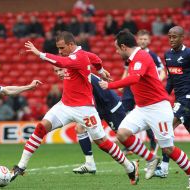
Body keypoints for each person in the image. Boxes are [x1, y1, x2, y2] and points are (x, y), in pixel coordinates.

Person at [11, 31, 139, 185]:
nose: (60, 51)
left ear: (71, 45)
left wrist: (39, 53)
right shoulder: (84, 54)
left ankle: (129, 166)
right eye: (58, 48)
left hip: (85, 109)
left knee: (102, 143)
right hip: (65, 105)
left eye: (62, 48)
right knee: (41, 127)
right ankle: (21, 166)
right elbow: (97, 59)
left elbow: (60, 62)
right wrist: (100, 71)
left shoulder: (78, 57)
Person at [99, 30, 190, 180]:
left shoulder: (141, 56)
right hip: (142, 109)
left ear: (123, 46)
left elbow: (134, 78)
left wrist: (110, 85)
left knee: (168, 149)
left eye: (116, 48)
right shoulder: (133, 59)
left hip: (158, 108)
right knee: (122, 134)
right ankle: (151, 159)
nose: (115, 52)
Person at [53, 66, 126, 174]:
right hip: (98, 107)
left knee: (125, 137)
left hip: (111, 106)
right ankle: (90, 164)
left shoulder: (78, 75)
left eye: (60, 70)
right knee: (80, 128)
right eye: (56, 71)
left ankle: (150, 159)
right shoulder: (72, 78)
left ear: (67, 68)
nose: (58, 73)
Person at [121, 29, 166, 156]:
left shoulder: (151, 55)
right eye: (141, 39)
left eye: (145, 39)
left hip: (144, 90)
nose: (143, 41)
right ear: (137, 40)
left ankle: (153, 142)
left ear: (149, 41)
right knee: (125, 115)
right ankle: (129, 144)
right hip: (130, 89)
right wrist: (122, 83)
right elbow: (127, 71)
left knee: (146, 117)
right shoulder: (131, 55)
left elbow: (162, 71)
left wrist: (157, 81)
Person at [154, 26, 190, 178]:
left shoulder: (188, 54)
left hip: (187, 99)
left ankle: (164, 167)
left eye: (174, 37)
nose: (171, 40)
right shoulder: (168, 55)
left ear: (182, 38)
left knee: (166, 127)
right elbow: (171, 80)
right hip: (179, 98)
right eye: (169, 37)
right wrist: (162, 97)